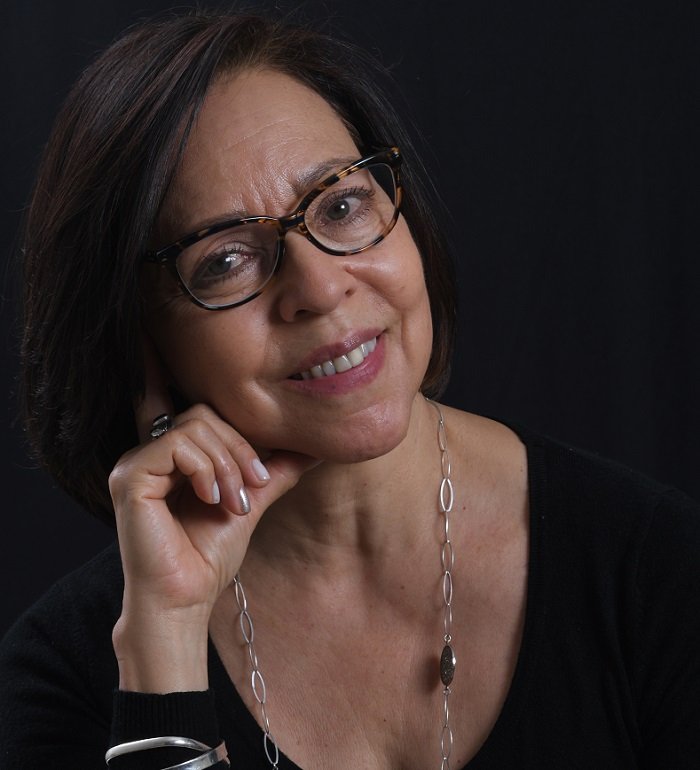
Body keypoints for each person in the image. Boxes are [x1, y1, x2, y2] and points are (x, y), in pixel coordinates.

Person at [1, 9, 699, 770]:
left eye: (340, 205)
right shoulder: (62, 674)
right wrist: (166, 637)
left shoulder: (658, 571)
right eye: (226, 260)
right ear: (141, 340)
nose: (321, 286)